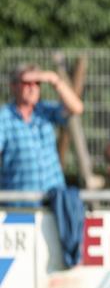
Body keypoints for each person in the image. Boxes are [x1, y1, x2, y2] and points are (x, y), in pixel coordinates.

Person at [0, 64, 84, 192]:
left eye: (37, 83)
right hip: (19, 203)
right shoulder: (4, 117)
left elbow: (77, 108)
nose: (33, 88)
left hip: (52, 200)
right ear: (13, 86)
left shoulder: (45, 110)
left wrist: (53, 79)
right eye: (27, 83)